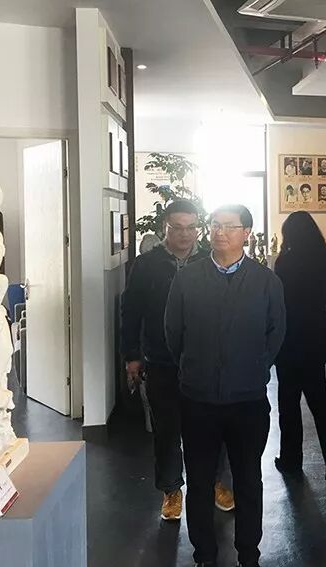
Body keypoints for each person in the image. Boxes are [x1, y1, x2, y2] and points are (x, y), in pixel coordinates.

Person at [165, 204, 286, 567]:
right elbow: (173, 332)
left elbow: (276, 333)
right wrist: (193, 367)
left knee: (247, 480)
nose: (219, 232)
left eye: (229, 226)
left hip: (247, 400)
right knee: (200, 481)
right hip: (198, 398)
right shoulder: (188, 278)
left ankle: (249, 554)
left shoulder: (266, 281)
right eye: (215, 225)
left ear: (246, 233)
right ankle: (204, 555)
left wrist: (255, 368)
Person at [121, 200, 235, 522]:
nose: (185, 234)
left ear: (198, 228)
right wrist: (132, 356)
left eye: (191, 227)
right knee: (167, 430)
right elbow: (131, 313)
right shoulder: (147, 265)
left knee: (212, 428)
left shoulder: (212, 260)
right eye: (177, 228)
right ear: (165, 229)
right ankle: (171, 489)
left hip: (206, 362)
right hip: (161, 360)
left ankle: (215, 482)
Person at [273, 211, 326, 481]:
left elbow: (278, 300)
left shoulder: (285, 261)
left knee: (288, 401)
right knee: (320, 398)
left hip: (289, 337)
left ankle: (291, 460)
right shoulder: (325, 258)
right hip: (315, 335)